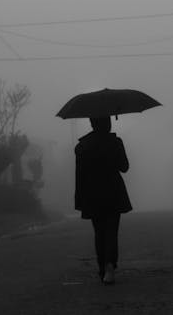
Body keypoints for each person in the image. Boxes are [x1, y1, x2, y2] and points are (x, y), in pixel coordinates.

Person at [74, 116, 132, 285]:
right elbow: (125, 167)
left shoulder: (82, 147)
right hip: (113, 193)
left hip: (92, 194)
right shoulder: (115, 143)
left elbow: (80, 176)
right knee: (111, 231)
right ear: (108, 123)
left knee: (99, 232)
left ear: (92, 124)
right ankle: (109, 265)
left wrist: (80, 199)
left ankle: (102, 268)